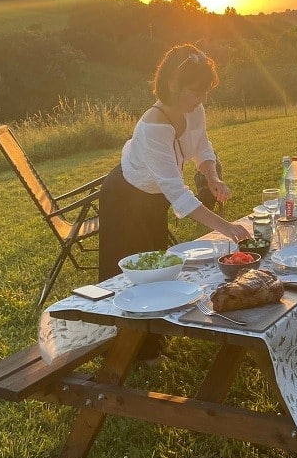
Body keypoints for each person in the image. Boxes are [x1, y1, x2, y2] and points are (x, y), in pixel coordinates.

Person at [99, 43, 251, 282]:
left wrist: (212, 177)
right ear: (172, 84)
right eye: (196, 91)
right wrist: (226, 227)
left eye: (206, 91)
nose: (204, 98)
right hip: (125, 199)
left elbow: (202, 145)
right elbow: (178, 194)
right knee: (128, 276)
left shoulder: (194, 108)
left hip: (155, 197)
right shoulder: (153, 127)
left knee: (159, 270)